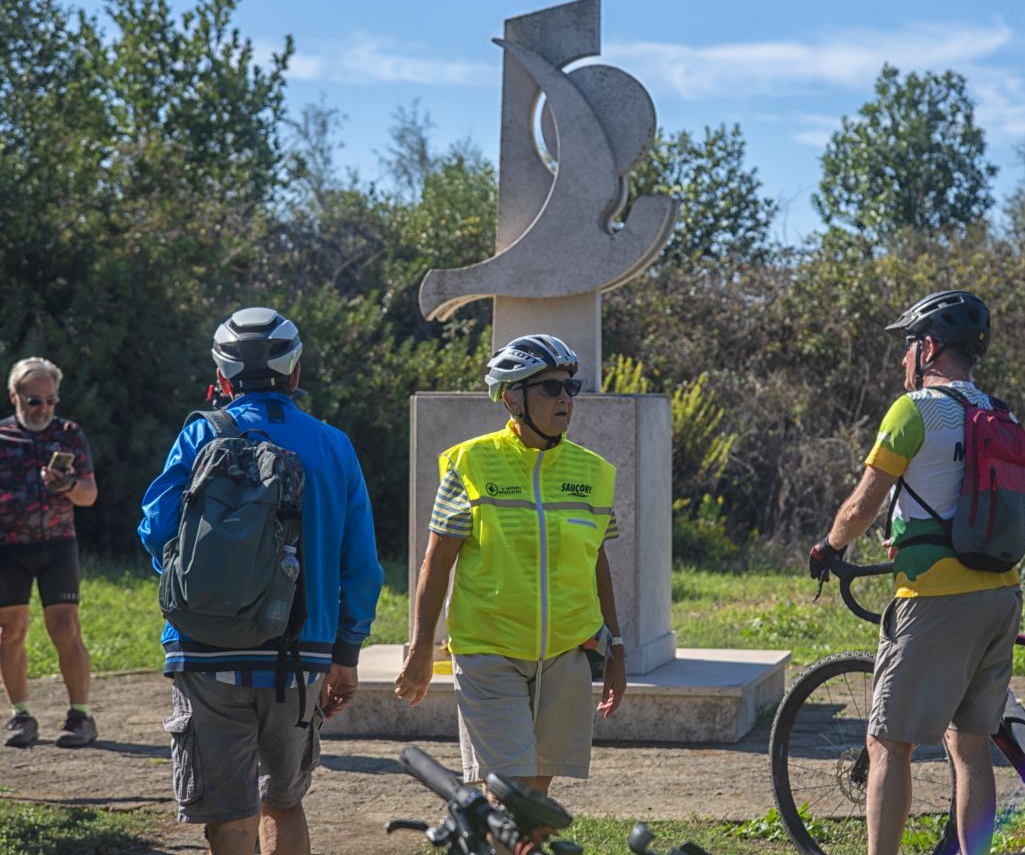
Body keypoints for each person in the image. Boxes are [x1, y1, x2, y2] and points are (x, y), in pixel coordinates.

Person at [138, 307, 383, 855]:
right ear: (294, 374)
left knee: (230, 815)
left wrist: (199, 589)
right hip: (303, 655)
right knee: (285, 802)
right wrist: (346, 651)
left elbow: (154, 529)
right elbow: (361, 564)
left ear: (222, 376)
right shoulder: (334, 445)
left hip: (204, 653)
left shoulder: (200, 434)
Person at [810, 291, 1022, 855]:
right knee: (972, 749)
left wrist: (828, 547)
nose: (904, 358)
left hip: (935, 601)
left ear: (927, 347)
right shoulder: (1000, 411)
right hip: (1000, 595)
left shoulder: (915, 409)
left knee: (887, 744)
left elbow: (860, 506)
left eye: (908, 345)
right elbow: (966, 498)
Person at [394, 333, 626, 796]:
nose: (565, 399)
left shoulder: (594, 472)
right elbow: (436, 563)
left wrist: (615, 648)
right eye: (550, 388)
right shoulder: (471, 463)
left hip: (566, 652)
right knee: (510, 792)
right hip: (489, 652)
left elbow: (597, 562)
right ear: (512, 397)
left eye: (570, 388)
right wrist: (421, 648)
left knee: (535, 800)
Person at [0, 357, 100, 749]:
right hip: (9, 547)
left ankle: (81, 715)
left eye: (50, 400)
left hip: (58, 544)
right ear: (14, 396)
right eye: (34, 400)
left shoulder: (70, 434)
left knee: (65, 629)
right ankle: (20, 714)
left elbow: (89, 496)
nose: (43, 408)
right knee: (9, 633)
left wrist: (67, 485)